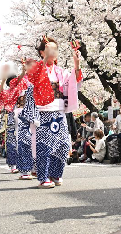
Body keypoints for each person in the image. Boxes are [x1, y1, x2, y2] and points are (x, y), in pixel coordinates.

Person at [34, 37, 82, 188]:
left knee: (63, 145)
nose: (53, 52)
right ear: (42, 52)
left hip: (59, 112)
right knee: (45, 145)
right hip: (44, 112)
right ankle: (43, 177)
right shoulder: (36, 69)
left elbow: (75, 81)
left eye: (55, 49)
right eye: (49, 49)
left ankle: (55, 173)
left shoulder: (61, 72)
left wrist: (77, 64)